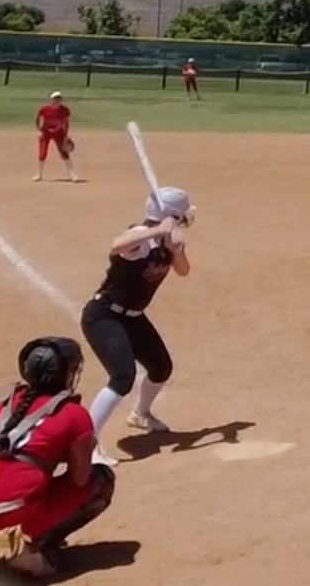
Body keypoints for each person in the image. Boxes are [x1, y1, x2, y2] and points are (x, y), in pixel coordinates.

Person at [0, 337, 116, 578]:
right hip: (10, 518)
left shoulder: (3, 405)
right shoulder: (74, 415)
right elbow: (79, 478)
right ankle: (26, 549)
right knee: (100, 480)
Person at [80, 187, 193, 450]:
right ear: (172, 215)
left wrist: (177, 251)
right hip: (104, 315)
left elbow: (183, 271)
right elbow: (117, 245)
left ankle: (140, 414)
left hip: (133, 317)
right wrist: (156, 231)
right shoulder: (141, 237)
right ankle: (86, 443)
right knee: (122, 376)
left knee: (161, 367)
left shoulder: (169, 241)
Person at [34, 92, 77, 183]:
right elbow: (37, 119)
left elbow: (66, 123)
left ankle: (72, 175)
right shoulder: (44, 109)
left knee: (64, 153)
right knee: (42, 153)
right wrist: (39, 131)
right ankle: (39, 174)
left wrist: (65, 136)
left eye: (59, 99)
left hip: (59, 133)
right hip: (45, 133)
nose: (57, 101)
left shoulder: (65, 110)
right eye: (55, 99)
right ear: (51, 100)